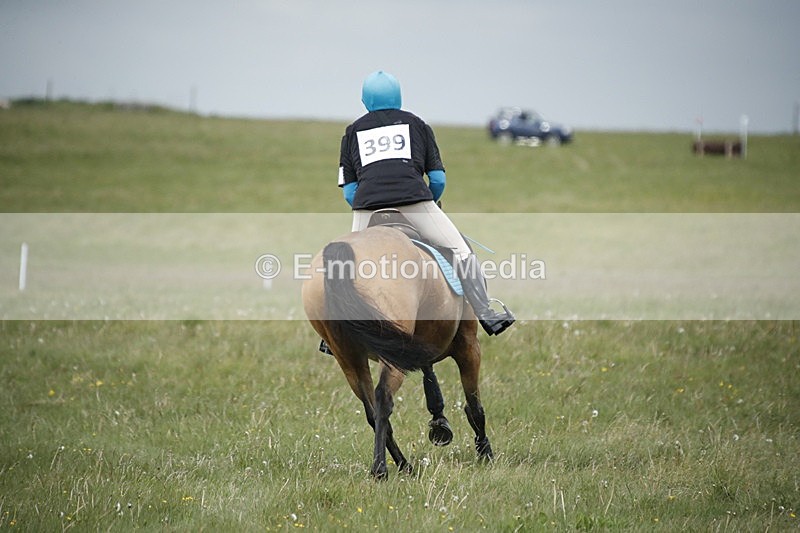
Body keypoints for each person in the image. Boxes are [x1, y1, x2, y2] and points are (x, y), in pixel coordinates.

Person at [321, 70, 514, 353]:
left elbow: (349, 191)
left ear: (364, 101)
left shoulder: (352, 132)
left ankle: (333, 333)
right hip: (414, 202)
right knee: (461, 251)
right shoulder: (417, 124)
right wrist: (430, 202)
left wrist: (370, 202)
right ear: (399, 97)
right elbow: (438, 179)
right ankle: (486, 312)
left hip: (367, 207)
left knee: (347, 264)